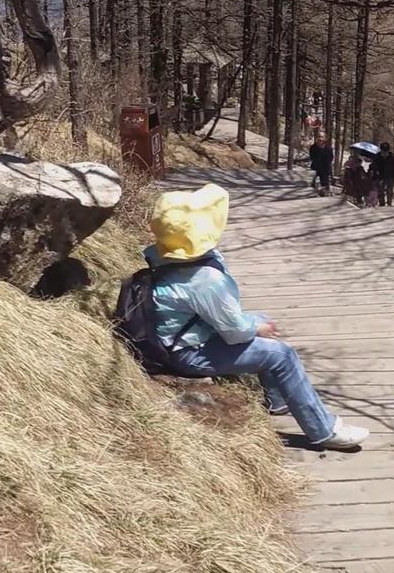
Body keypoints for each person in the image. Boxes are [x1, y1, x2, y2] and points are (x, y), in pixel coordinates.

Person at [145, 183, 369, 450]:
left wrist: (256, 323)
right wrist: (257, 328)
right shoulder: (204, 280)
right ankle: (323, 430)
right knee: (282, 354)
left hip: (178, 337)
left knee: (262, 323)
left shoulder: (164, 256)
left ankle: (280, 400)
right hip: (188, 354)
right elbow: (235, 332)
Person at [309, 130, 334, 196]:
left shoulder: (328, 148)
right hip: (315, 169)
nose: (320, 138)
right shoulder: (313, 147)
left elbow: (330, 159)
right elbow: (312, 157)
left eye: (322, 137)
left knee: (325, 188)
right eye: (319, 137)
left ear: (325, 138)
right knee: (312, 188)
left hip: (325, 170)